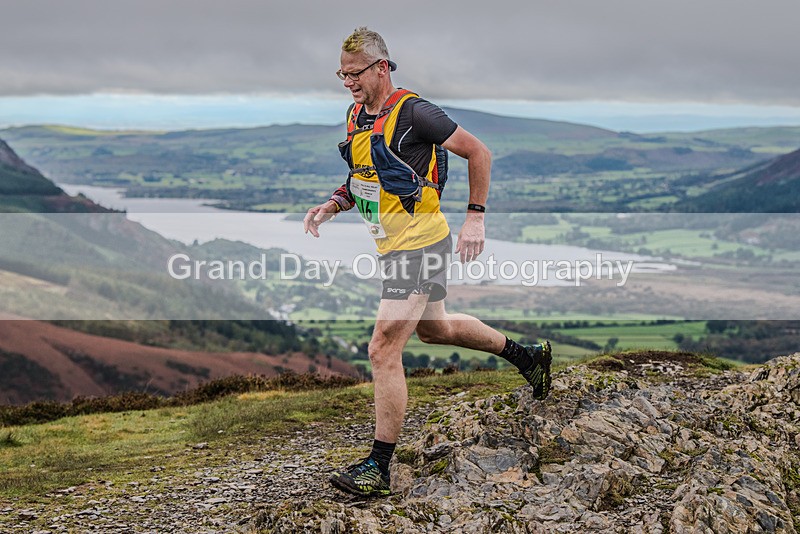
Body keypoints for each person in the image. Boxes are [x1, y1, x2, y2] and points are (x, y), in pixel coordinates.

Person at [303, 27, 552, 498]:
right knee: (435, 330)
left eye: (354, 73)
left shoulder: (416, 112)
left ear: (381, 67)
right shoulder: (356, 114)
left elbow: (479, 152)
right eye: (342, 73)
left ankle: (378, 466)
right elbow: (365, 174)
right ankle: (530, 358)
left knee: (382, 349)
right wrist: (333, 204)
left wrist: (475, 219)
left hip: (419, 247)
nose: (347, 82)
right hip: (397, 246)